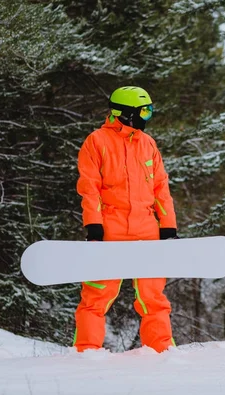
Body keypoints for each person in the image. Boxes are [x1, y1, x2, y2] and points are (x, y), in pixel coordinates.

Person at [74, 86, 178, 353]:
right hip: (111, 229)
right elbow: (89, 186)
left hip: (147, 230)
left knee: (153, 297)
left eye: (149, 110)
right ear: (127, 113)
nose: (148, 116)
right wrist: (93, 225)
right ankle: (86, 352)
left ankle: (162, 351)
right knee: (96, 296)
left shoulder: (148, 143)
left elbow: (161, 188)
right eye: (144, 111)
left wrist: (167, 227)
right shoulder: (96, 141)